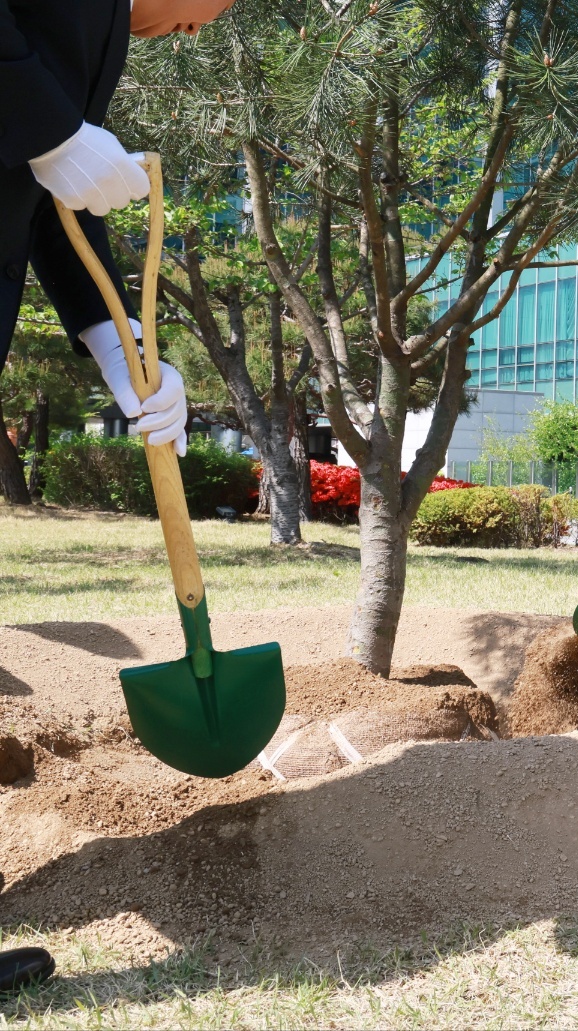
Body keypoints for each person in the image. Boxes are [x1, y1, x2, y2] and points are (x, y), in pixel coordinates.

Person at [0, 0, 235, 995]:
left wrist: (118, 348)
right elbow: (39, 144)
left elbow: (45, 200)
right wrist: (47, 126)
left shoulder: (95, 19)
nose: (199, 32)